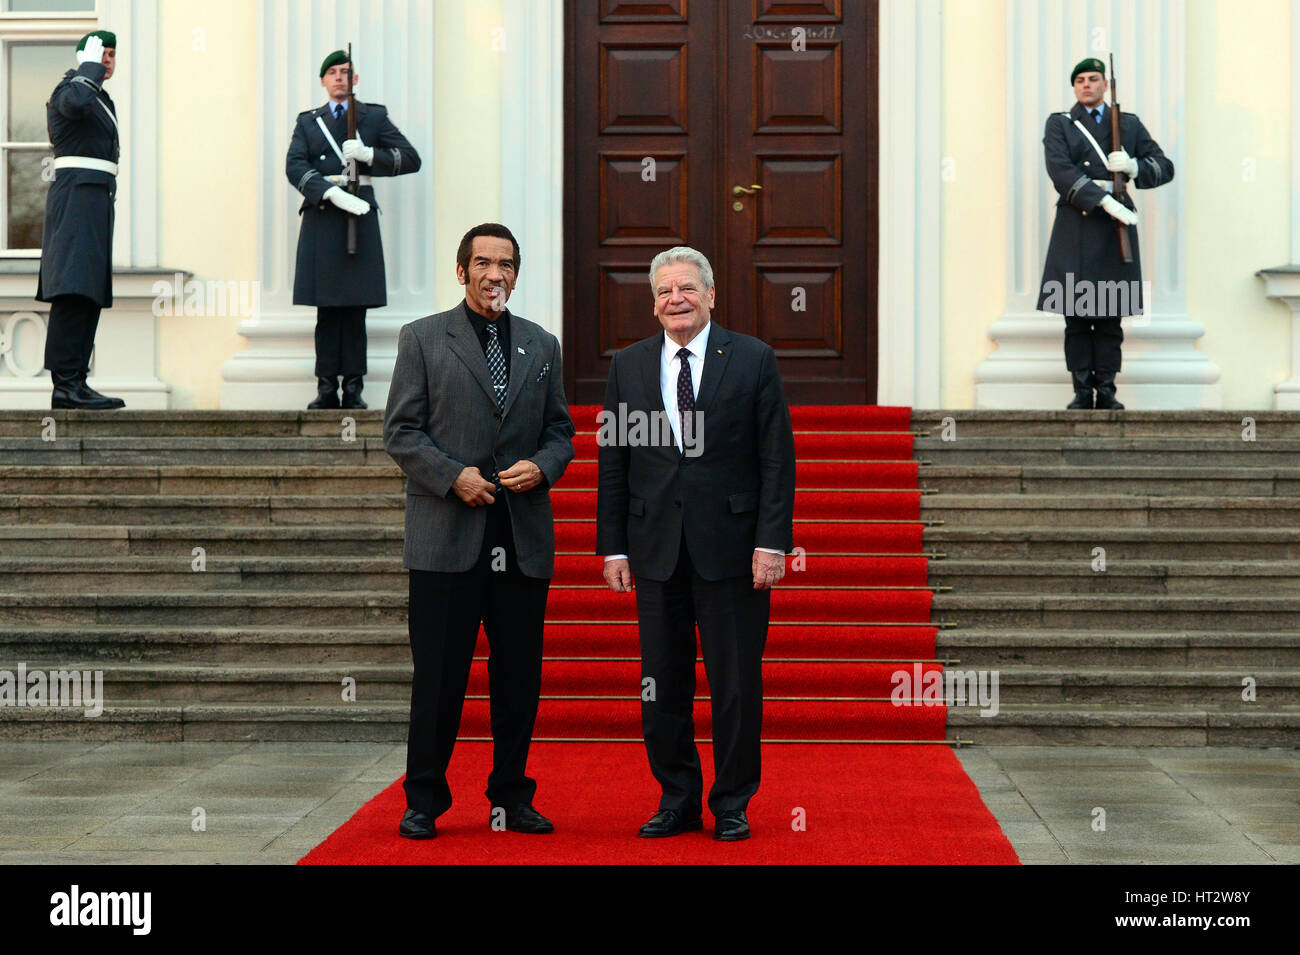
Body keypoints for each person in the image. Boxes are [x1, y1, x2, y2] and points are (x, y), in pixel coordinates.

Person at [596, 246, 796, 841]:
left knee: (735, 684)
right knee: (662, 683)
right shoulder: (628, 365)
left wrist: (772, 542)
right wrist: (614, 547)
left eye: (685, 288)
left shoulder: (753, 359)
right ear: (653, 304)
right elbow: (615, 461)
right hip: (654, 548)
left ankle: (732, 802)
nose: (674, 299)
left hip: (732, 549)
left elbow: (775, 458)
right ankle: (677, 798)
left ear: (711, 295)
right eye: (663, 291)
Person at [383, 223, 574, 839]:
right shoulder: (422, 339)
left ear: (517, 273)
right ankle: (424, 800)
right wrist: (451, 477)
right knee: (439, 677)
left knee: (518, 677)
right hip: (447, 534)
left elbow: (560, 432)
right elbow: (401, 433)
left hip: (520, 537)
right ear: (462, 271)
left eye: (508, 264)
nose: (497, 274)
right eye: (484, 263)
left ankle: (513, 796)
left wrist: (543, 467)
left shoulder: (542, 346)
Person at [1037, 56, 1174, 410]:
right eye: (1080, 79)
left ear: (1105, 86)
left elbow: (1164, 166)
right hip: (1077, 226)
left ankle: (1108, 391)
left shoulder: (1128, 125)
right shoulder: (1061, 125)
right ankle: (1083, 392)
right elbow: (1060, 171)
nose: (1086, 84)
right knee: (1078, 318)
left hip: (1116, 232)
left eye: (1093, 79)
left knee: (1110, 319)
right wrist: (1102, 200)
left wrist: (1133, 166)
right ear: (1074, 87)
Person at [287, 49, 421, 410]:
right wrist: (328, 191)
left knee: (355, 309)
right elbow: (294, 165)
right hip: (324, 216)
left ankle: (354, 388)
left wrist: (369, 155)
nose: (339, 78)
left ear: (355, 80)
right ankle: (327, 386)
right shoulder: (308, 122)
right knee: (327, 309)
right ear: (323, 81)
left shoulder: (372, 116)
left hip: (360, 216)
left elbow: (411, 158)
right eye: (332, 73)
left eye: (345, 72)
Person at [36, 30, 126, 410]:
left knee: (87, 289)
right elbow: (73, 106)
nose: (107, 59)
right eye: (100, 53)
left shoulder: (96, 95)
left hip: (95, 197)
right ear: (84, 56)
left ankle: (78, 379)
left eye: (111, 54)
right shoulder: (71, 88)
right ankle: (64, 384)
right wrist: (87, 66)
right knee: (73, 287)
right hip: (76, 196)